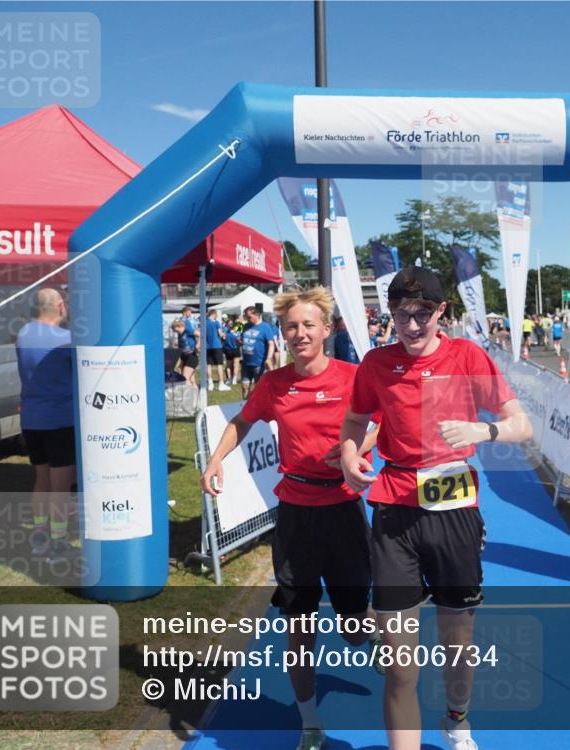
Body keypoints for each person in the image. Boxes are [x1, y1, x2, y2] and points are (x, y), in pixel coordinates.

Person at [340, 266, 533, 750]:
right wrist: (348, 456)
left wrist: (481, 432)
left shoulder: (467, 356)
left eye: (422, 313)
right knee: (400, 663)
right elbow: (355, 421)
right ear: (390, 315)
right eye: (401, 315)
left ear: (440, 311)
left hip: (454, 513)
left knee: (456, 644)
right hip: (394, 513)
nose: (411, 325)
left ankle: (457, 719)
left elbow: (520, 424)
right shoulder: (375, 364)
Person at [201, 287, 381, 750]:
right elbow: (242, 421)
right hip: (297, 516)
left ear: (326, 329)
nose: (299, 333)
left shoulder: (353, 376)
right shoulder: (274, 384)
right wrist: (216, 459)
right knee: (299, 626)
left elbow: (379, 421)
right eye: (291, 327)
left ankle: (364, 626)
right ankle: (310, 724)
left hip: (343, 510)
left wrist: (353, 452)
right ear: (283, 333)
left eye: (308, 325)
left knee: (354, 627)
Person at [15, 288, 75, 558]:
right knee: (61, 484)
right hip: (60, 418)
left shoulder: (23, 334)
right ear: (60, 306)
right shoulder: (67, 339)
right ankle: (59, 541)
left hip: (31, 418)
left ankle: (40, 536)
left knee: (41, 478)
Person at [239, 305, 276, 399]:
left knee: (259, 389)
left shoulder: (265, 327)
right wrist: (240, 342)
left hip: (259, 364)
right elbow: (244, 339)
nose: (247, 319)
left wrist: (268, 358)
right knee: (245, 386)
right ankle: (245, 407)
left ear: (256, 315)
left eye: (249, 316)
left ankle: (258, 410)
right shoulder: (246, 326)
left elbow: (271, 343)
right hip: (246, 363)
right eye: (246, 316)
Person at [204, 309, 230, 391]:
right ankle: (221, 384)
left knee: (208, 365)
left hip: (207, 346)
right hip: (217, 346)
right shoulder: (216, 323)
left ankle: (210, 383)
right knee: (219, 365)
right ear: (214, 314)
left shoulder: (204, 322)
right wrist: (224, 335)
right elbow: (220, 333)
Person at [172, 318, 199, 387]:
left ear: (180, 326)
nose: (177, 332)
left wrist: (198, 345)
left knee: (185, 378)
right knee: (192, 381)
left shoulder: (188, 330)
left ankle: (190, 395)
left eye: (177, 330)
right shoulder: (180, 334)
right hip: (184, 357)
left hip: (191, 356)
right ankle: (196, 396)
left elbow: (200, 334)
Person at [222, 318, 241, 385]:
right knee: (235, 365)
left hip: (228, 350)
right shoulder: (237, 331)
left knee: (229, 366)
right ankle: (234, 379)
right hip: (235, 349)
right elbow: (239, 341)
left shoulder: (225, 331)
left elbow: (223, 339)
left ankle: (230, 379)